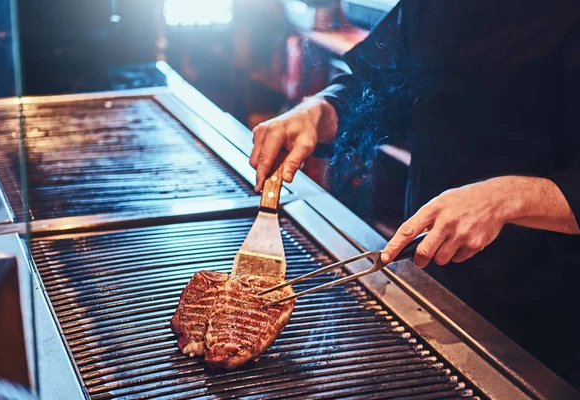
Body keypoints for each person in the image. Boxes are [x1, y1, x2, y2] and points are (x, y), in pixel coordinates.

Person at [249, 1, 580, 389]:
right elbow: (381, 87)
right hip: (427, 272)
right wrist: (320, 110)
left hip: (546, 311)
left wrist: (508, 197)